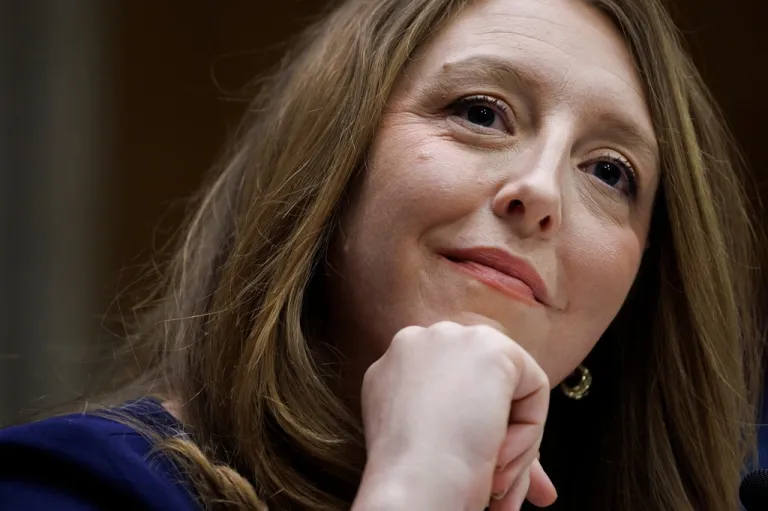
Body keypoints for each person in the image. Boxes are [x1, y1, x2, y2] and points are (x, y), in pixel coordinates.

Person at [0, 0, 763, 509]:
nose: (541, 190)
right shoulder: (74, 484)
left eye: (609, 170)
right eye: (480, 112)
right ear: (332, 161)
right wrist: (417, 485)